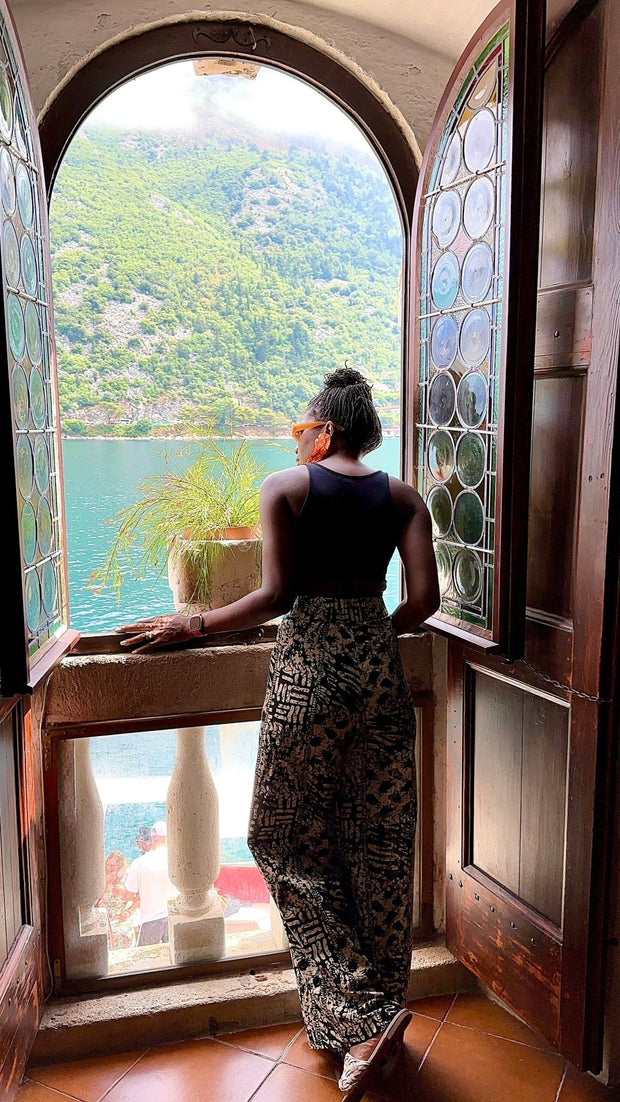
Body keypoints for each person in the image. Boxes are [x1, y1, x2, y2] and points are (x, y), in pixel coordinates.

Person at [118, 367, 440, 1100]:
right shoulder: (404, 498)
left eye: (302, 428)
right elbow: (424, 599)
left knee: (280, 838)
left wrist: (192, 624)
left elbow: (275, 595)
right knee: (380, 844)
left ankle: (360, 1018)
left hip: (309, 680)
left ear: (324, 431)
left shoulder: (286, 489)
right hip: (379, 680)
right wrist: (375, 633)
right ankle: (375, 1011)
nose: (297, 440)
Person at [125, 820, 173, 946]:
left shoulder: (138, 863)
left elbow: (129, 893)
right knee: (173, 956)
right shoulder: (175, 859)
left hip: (150, 920)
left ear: (153, 838)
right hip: (172, 917)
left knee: (146, 956)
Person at [96, 851, 138, 949]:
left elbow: (136, 899)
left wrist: (124, 894)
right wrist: (106, 883)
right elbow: (95, 901)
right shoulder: (102, 879)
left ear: (119, 866)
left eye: (112, 866)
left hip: (121, 919)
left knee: (122, 935)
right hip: (105, 919)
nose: (109, 868)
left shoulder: (127, 879)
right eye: (107, 865)